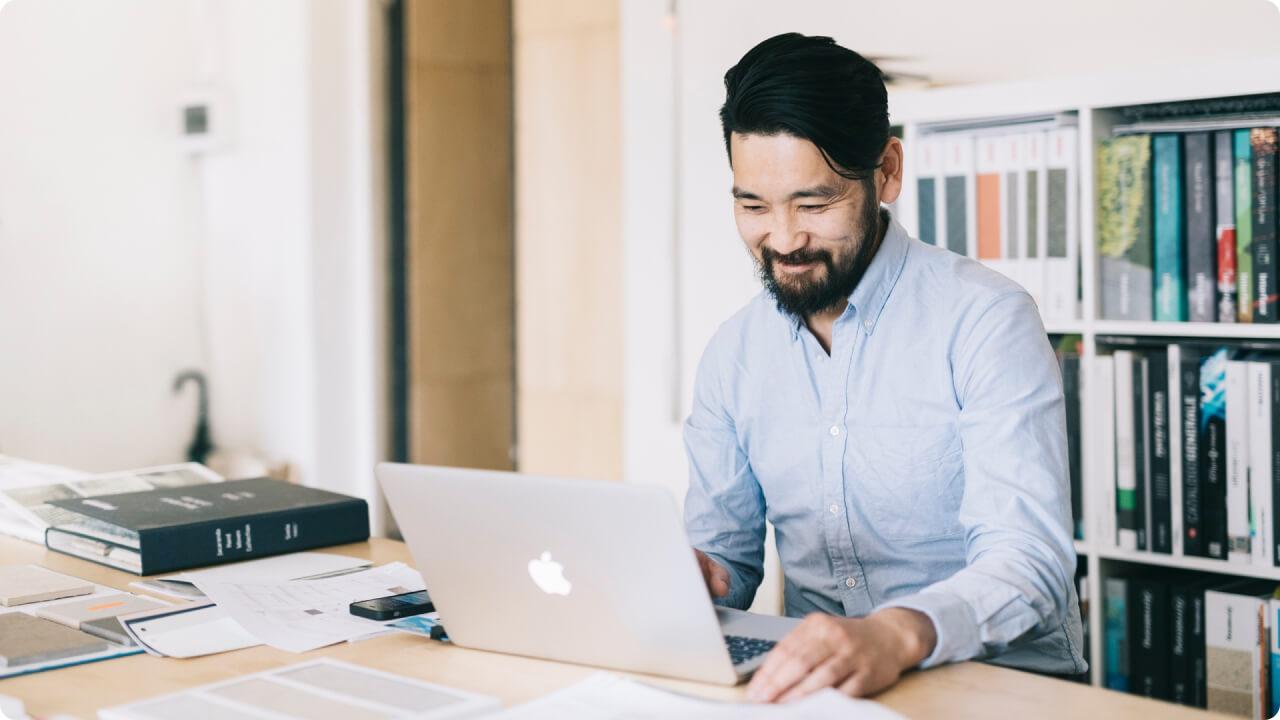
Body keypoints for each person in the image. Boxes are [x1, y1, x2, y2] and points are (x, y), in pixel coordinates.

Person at [683, 32, 1086, 703]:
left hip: (998, 691)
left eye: (814, 205)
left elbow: (1029, 561)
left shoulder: (986, 320)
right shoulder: (735, 353)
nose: (782, 240)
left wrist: (894, 634)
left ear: (887, 171)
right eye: (753, 206)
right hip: (821, 693)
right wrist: (690, 578)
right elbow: (725, 557)